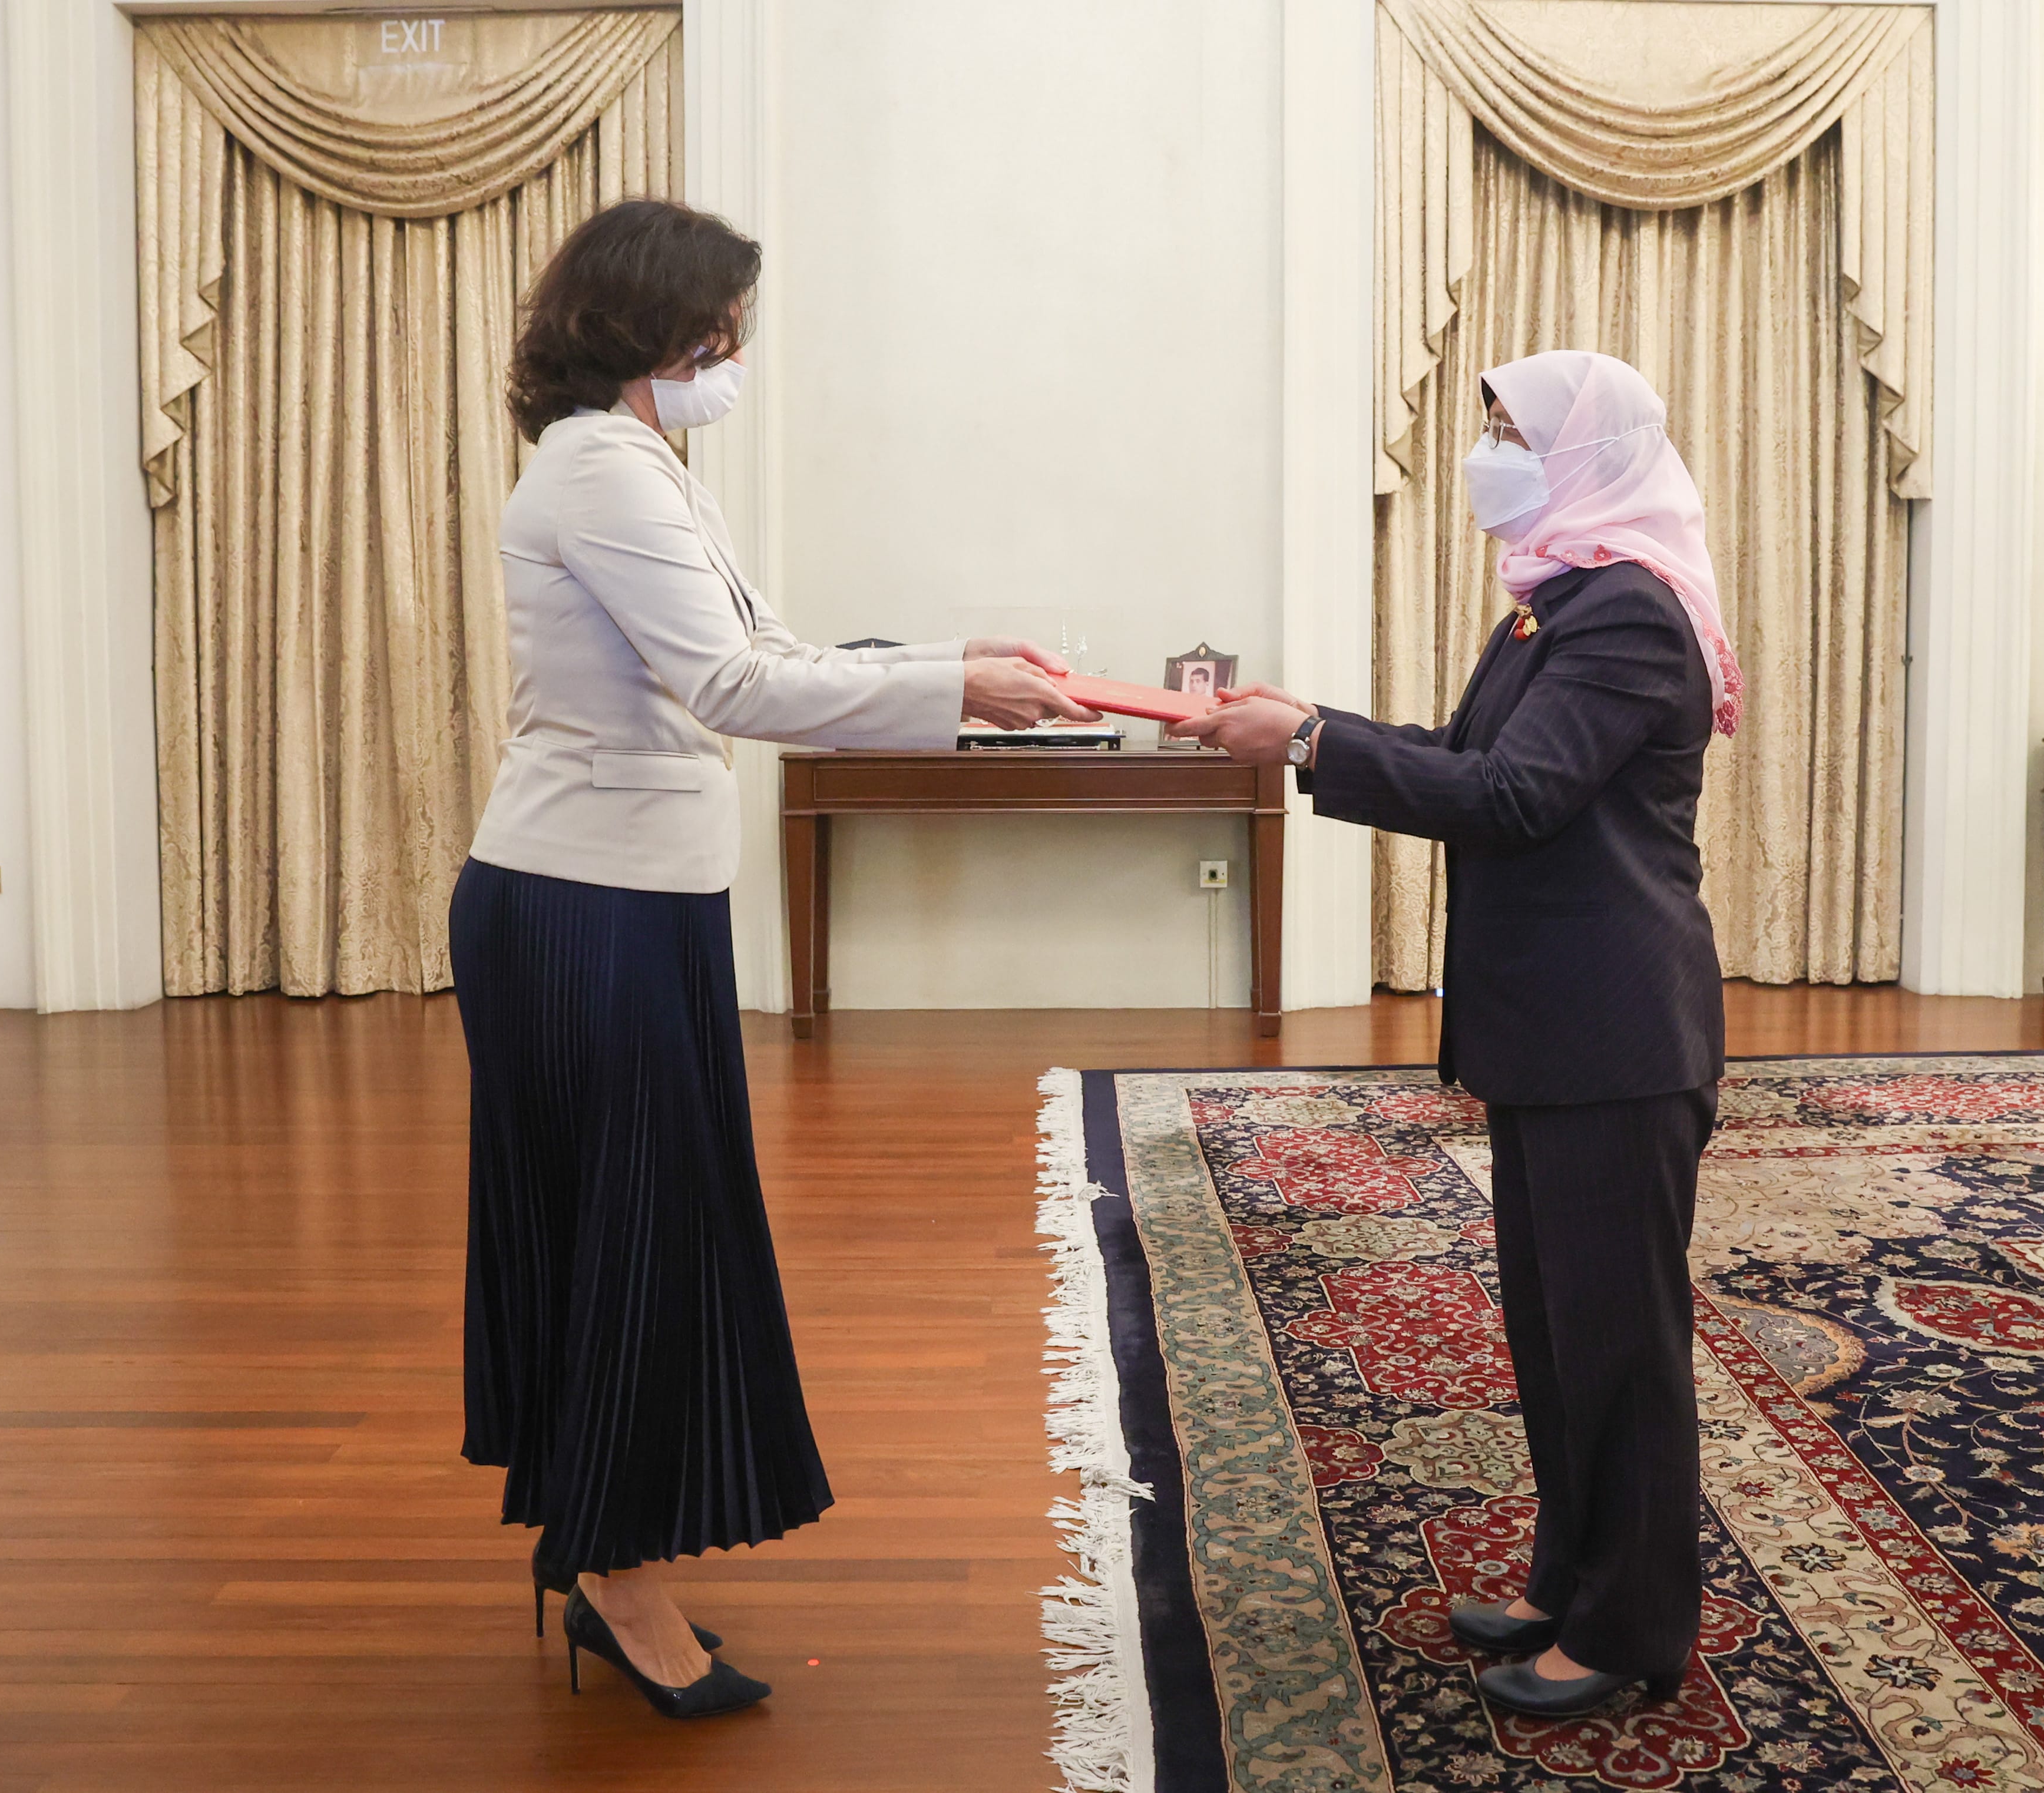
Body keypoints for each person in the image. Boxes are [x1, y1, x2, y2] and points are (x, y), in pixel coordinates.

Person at [455, 197, 1095, 1720]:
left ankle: (599, 1536)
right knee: (627, 1234)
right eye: (711, 330)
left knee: (648, 1231)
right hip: (582, 903)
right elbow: (733, 686)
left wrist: (949, 667)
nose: (729, 354)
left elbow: (770, 642)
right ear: (642, 326)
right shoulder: (598, 472)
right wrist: (954, 687)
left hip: (636, 902)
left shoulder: (641, 465)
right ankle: (614, 1573)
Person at [1171, 349, 1735, 1719]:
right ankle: (1568, 1582)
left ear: (1589, 452)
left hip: (1615, 1031)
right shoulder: (1556, 601)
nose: (1488, 452)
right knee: (1557, 1334)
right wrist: (1304, 725)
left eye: (1511, 431)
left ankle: (1632, 1631)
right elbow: (1460, 747)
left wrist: (1307, 737)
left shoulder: (1626, 615)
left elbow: (1516, 797)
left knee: (1621, 1344)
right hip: (1556, 1028)